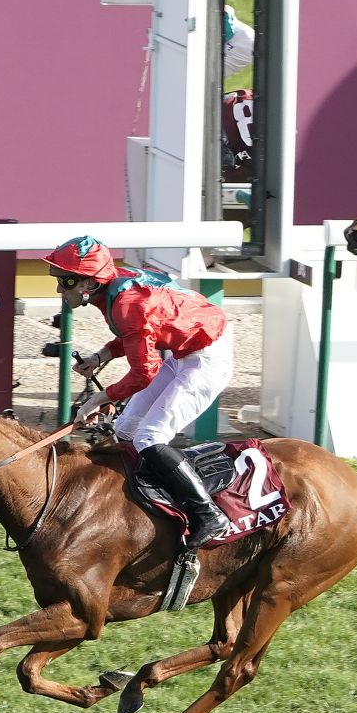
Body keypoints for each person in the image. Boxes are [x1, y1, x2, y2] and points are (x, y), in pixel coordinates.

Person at [43, 236, 233, 550]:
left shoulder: (126, 302)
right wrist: (100, 357)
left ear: (89, 282)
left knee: (150, 437)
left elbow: (145, 372)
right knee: (125, 429)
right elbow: (139, 334)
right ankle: (138, 500)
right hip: (182, 353)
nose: (59, 290)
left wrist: (98, 399)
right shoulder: (114, 288)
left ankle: (209, 514)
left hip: (207, 357)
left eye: (66, 281)